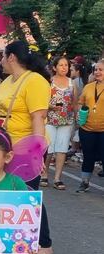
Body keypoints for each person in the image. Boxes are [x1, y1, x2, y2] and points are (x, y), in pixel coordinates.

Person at [0, 40, 53, 254]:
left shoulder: (35, 81)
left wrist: (36, 152)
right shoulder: (7, 81)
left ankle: (44, 243)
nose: (1, 62)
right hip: (3, 145)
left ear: (11, 57)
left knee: (27, 194)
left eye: (3, 57)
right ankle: (10, 239)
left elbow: (39, 117)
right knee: (4, 192)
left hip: (27, 148)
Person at [42, 56, 77, 190]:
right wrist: (51, 107)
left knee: (62, 149)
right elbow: (41, 100)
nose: (64, 68)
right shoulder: (48, 82)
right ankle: (44, 174)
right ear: (54, 67)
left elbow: (74, 102)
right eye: (61, 65)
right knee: (49, 149)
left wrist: (76, 118)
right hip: (50, 119)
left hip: (66, 121)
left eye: (66, 65)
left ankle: (57, 178)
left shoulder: (71, 83)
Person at [75, 60, 104, 193]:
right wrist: (80, 112)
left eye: (101, 70)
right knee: (88, 156)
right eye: (96, 69)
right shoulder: (88, 87)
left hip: (103, 130)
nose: (97, 72)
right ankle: (84, 182)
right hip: (86, 129)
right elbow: (80, 102)